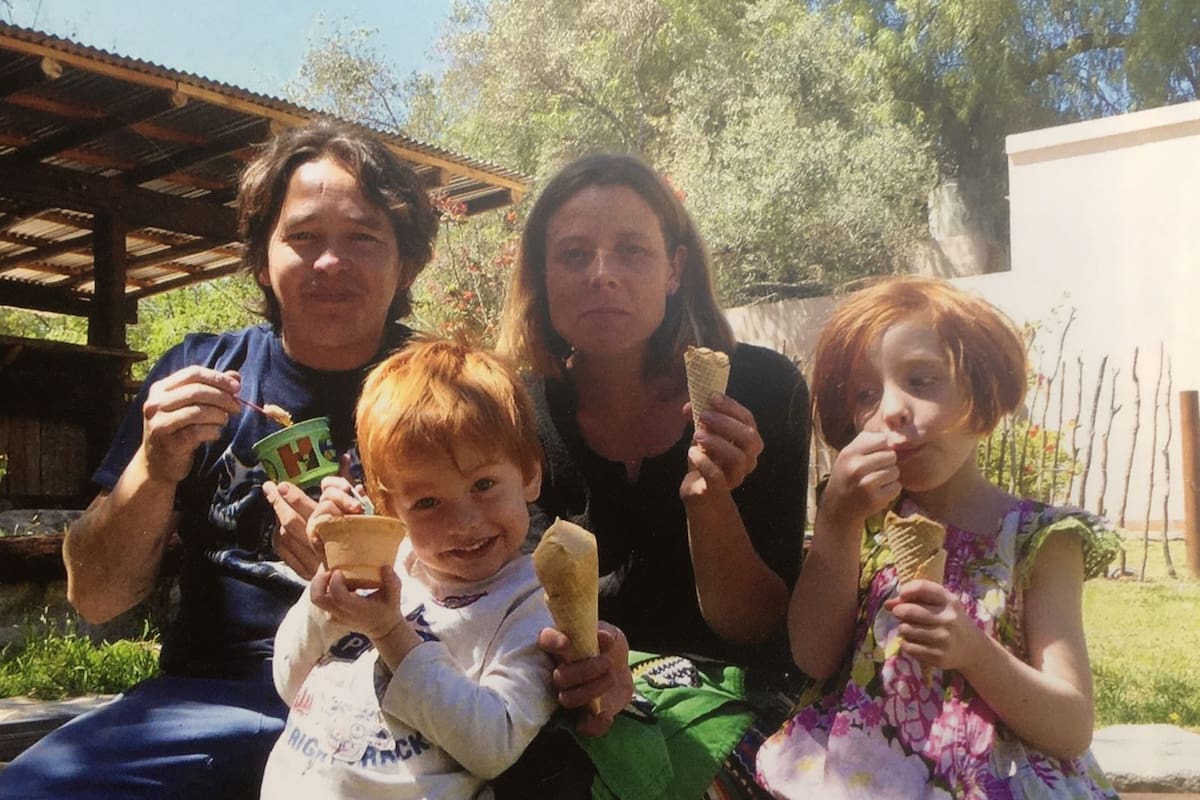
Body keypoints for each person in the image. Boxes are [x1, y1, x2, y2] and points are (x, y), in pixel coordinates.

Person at [0, 121, 440, 799]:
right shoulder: (201, 372)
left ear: (406, 263)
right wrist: (155, 464)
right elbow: (96, 598)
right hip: (211, 702)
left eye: (362, 238)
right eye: (303, 237)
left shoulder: (446, 391)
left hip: (392, 693)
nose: (330, 262)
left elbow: (498, 563)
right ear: (263, 261)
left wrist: (374, 574)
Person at [496, 153, 811, 797]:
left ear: (675, 269)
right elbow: (503, 603)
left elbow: (755, 627)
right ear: (541, 275)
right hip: (565, 703)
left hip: (731, 703)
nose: (602, 275)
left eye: (632, 251)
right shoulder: (512, 410)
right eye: (574, 254)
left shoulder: (762, 389)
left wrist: (710, 502)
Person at [755, 275, 1121, 798]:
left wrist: (976, 652)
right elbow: (812, 655)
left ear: (984, 394)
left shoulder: (1037, 540)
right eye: (865, 394)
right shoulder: (864, 521)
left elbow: (1071, 726)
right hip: (868, 777)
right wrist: (837, 520)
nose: (891, 409)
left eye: (922, 381)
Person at [260, 337, 557, 799]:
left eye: (483, 484)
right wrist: (326, 600)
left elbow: (492, 744)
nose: (464, 522)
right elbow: (288, 683)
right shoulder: (383, 564)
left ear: (530, 473)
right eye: (427, 502)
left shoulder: (532, 604)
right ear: (387, 507)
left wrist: (391, 635)